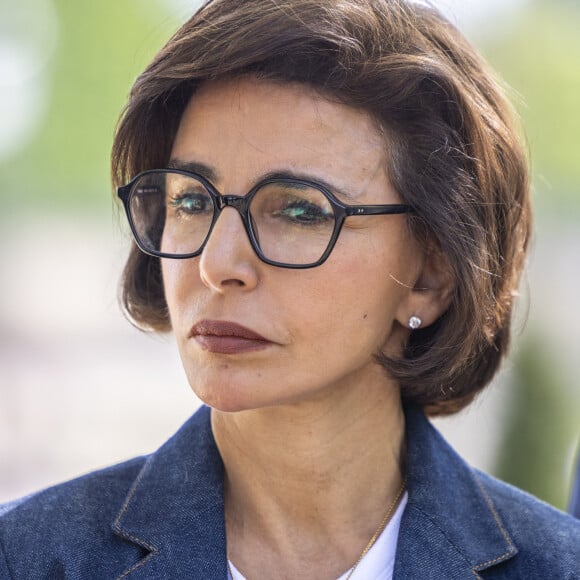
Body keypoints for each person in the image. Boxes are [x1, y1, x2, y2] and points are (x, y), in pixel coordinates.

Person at [1, 0, 579, 578]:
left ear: (430, 276)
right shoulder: (26, 557)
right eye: (192, 200)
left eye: (300, 211)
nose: (216, 263)